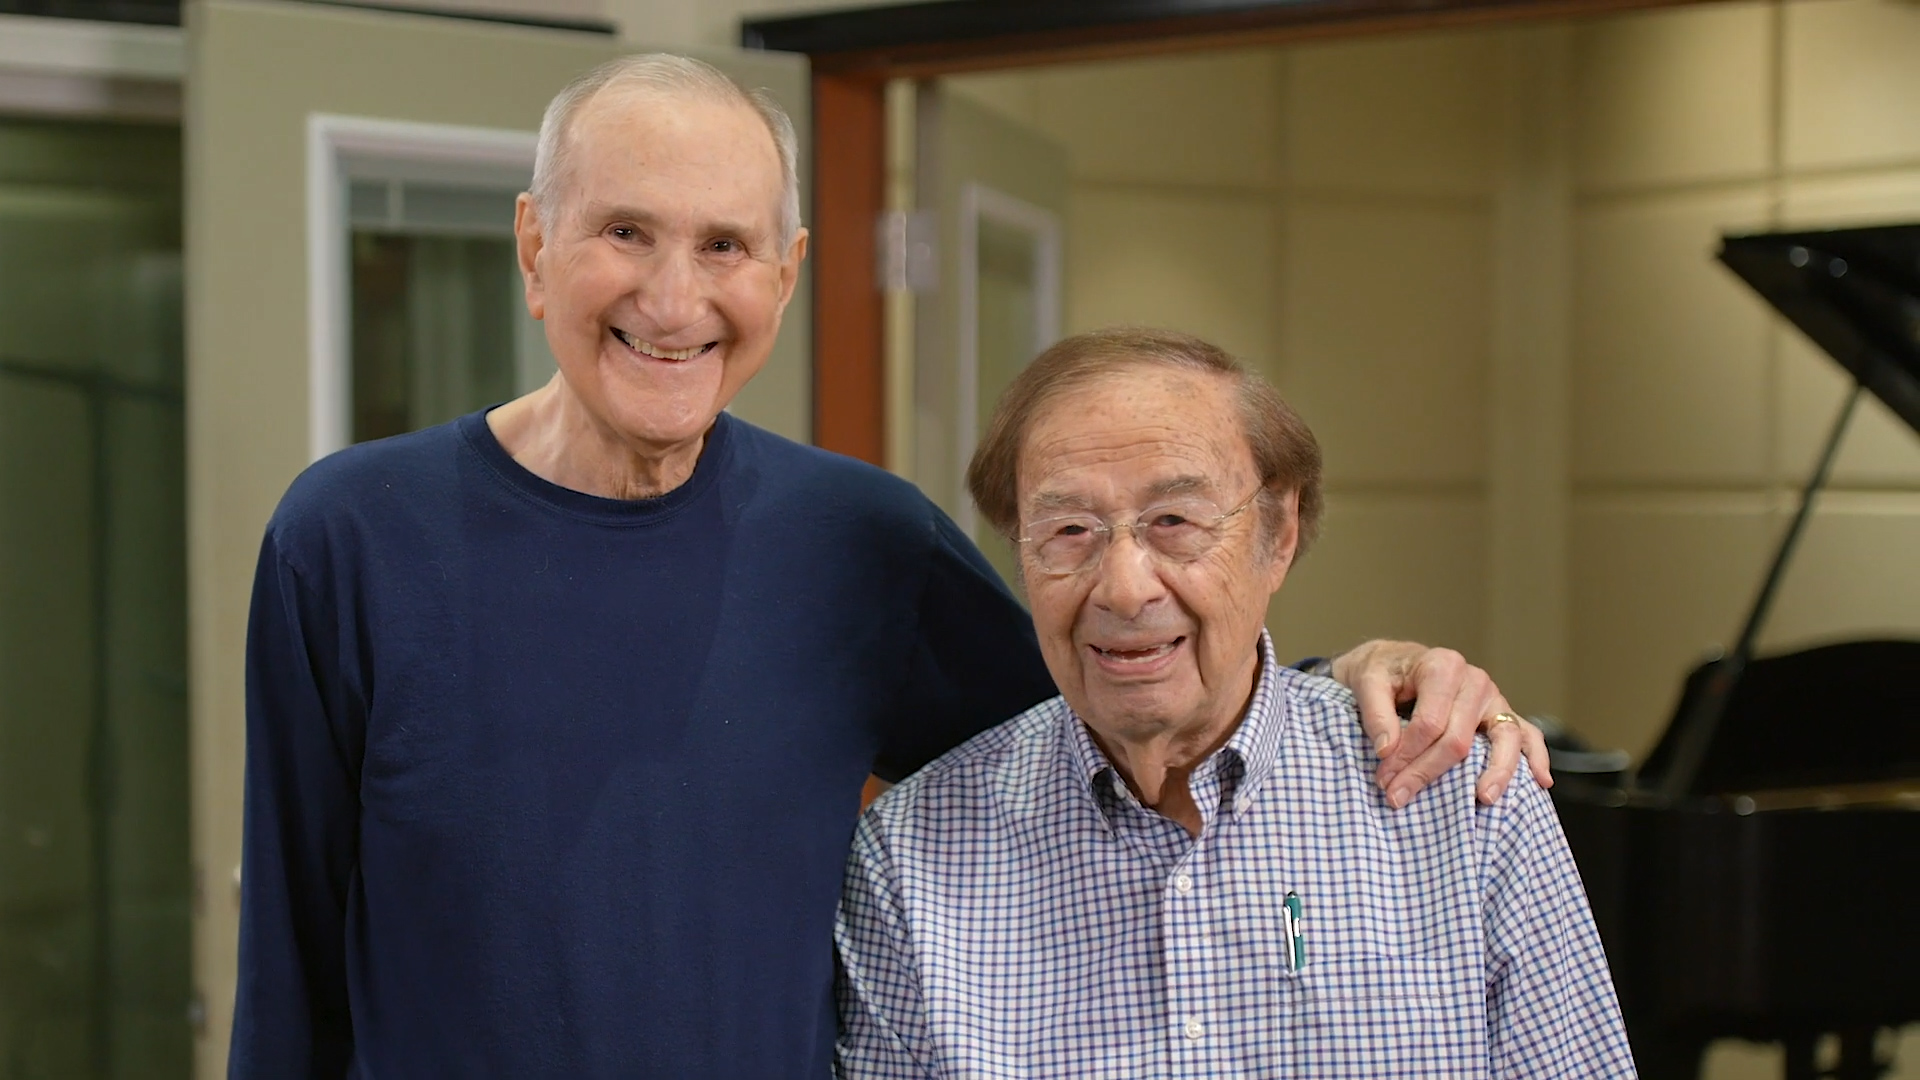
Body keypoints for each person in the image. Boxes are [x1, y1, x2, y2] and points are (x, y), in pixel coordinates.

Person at [231, 56, 1550, 1078]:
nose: (675, 299)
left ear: (789, 273)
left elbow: (1118, 717)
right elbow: (288, 971)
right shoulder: (350, 537)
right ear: (533, 246)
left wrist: (1351, 687)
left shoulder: (858, 541)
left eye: (726, 246)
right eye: (623, 233)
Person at [834, 327, 1631, 1078]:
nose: (1123, 586)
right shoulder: (913, 863)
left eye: (1174, 522)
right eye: (1069, 531)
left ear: (1277, 535)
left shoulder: (1460, 800)